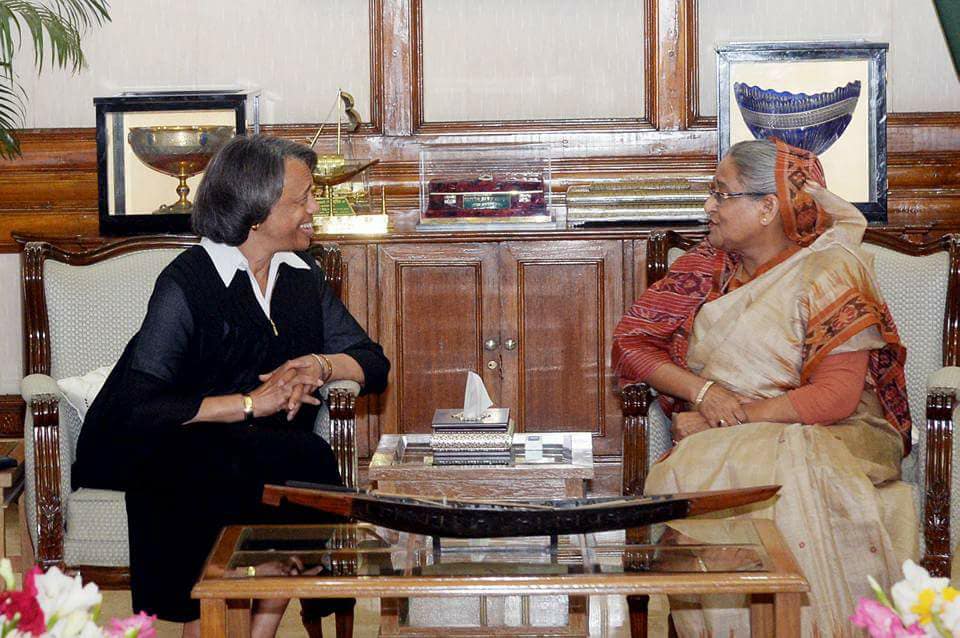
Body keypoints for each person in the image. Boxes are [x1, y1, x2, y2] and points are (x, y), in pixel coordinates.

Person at [72, 135, 390, 638]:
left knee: (306, 461)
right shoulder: (188, 282)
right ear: (256, 213)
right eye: (303, 199)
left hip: (266, 449)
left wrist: (320, 365)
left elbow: (374, 363)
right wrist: (249, 403)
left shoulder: (301, 276)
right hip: (174, 443)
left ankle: (259, 625)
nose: (314, 209)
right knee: (227, 469)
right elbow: (140, 406)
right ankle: (210, 616)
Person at [612, 139, 916, 636]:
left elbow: (837, 397)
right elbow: (631, 344)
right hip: (725, 430)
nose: (708, 206)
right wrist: (705, 394)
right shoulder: (705, 268)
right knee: (706, 462)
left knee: (777, 461)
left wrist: (725, 419)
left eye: (721, 193)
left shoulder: (830, 270)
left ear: (768, 207)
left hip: (835, 432)